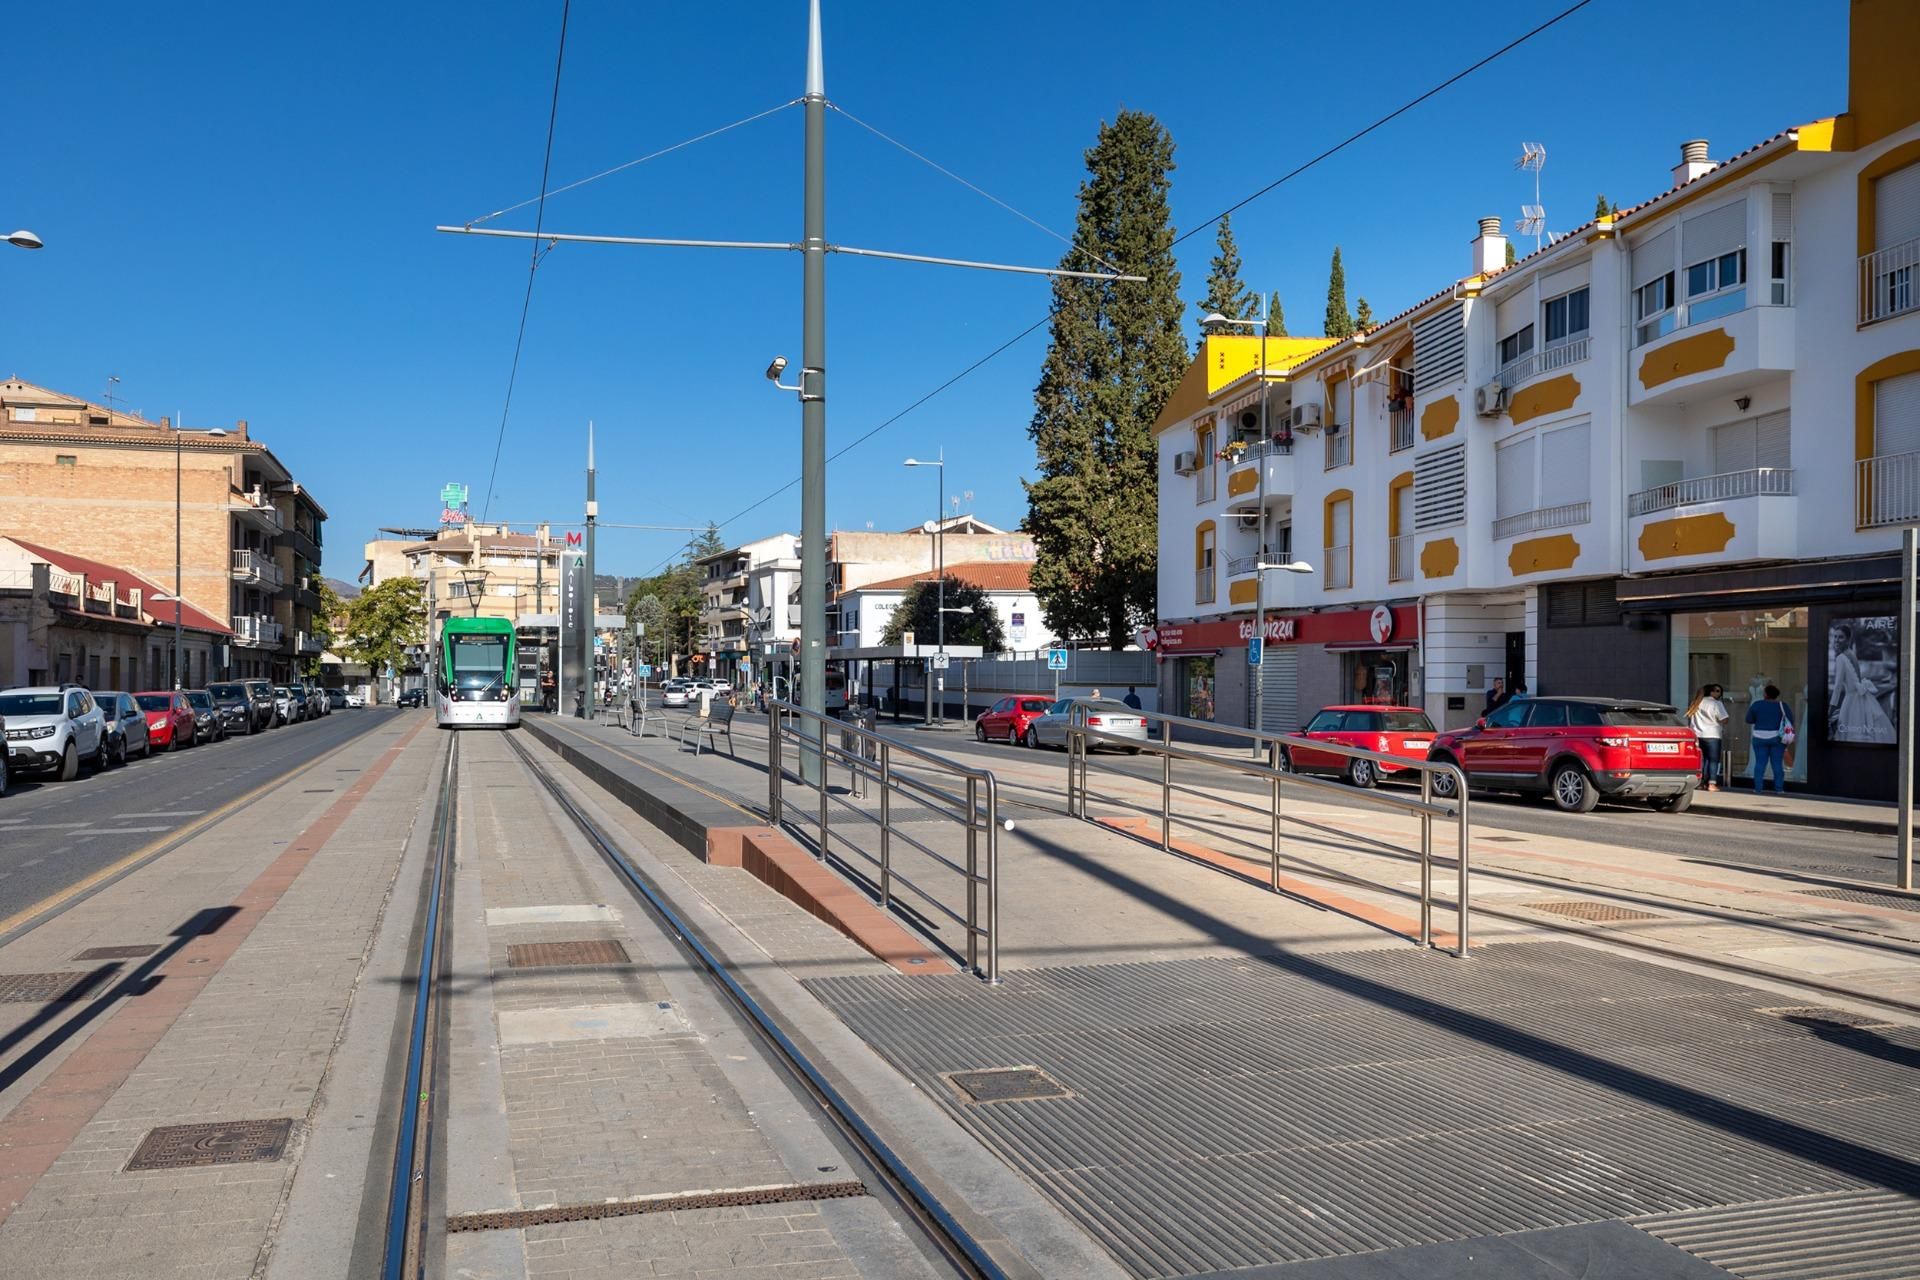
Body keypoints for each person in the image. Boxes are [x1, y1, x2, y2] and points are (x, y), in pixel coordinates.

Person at [1745, 683, 1794, 794]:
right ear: (1776, 695)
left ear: (1765, 694)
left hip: (1759, 737)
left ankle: (1758, 789)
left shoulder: (1757, 705)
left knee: (1760, 763)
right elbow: (1790, 719)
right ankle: (1779, 789)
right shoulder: (1782, 705)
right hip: (1777, 737)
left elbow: (1748, 719)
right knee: (1777, 763)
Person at [1687, 683, 1730, 791]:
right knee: (1713, 760)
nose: (1719, 693)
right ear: (1710, 692)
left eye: (1720, 691)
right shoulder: (1716, 703)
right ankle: (1712, 783)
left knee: (1703, 759)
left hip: (1697, 735)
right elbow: (1724, 719)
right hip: (1712, 734)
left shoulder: (1696, 703)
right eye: (1717, 690)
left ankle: (1701, 782)